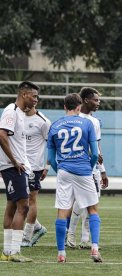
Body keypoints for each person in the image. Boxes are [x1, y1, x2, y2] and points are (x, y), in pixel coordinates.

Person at [47, 93, 102, 263]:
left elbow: (51, 158)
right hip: (83, 170)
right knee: (92, 209)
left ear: (65, 107)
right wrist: (89, 166)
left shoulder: (55, 125)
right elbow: (95, 153)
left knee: (62, 212)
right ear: (79, 107)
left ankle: (61, 253)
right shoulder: (87, 123)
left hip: (64, 171)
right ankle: (94, 249)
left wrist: (61, 169)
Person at [0, 81, 38, 262]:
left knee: (12, 206)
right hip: (14, 167)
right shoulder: (11, 111)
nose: (36, 100)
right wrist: (14, 161)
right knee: (24, 206)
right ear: (24, 95)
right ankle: (14, 251)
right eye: (34, 96)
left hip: (15, 166)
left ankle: (7, 252)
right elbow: (1, 134)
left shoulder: (20, 114)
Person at [66, 87, 109, 250]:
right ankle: (70, 234)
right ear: (85, 100)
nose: (98, 103)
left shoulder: (95, 121)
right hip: (78, 166)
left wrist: (103, 170)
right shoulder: (75, 118)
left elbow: (97, 146)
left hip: (94, 169)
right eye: (95, 100)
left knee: (92, 202)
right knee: (78, 201)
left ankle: (85, 239)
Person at [21, 101, 51, 247]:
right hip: (18, 165)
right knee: (18, 200)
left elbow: (51, 145)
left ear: (35, 101)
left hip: (34, 167)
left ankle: (26, 237)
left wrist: (47, 167)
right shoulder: (16, 117)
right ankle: (38, 228)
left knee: (31, 200)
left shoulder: (43, 121)